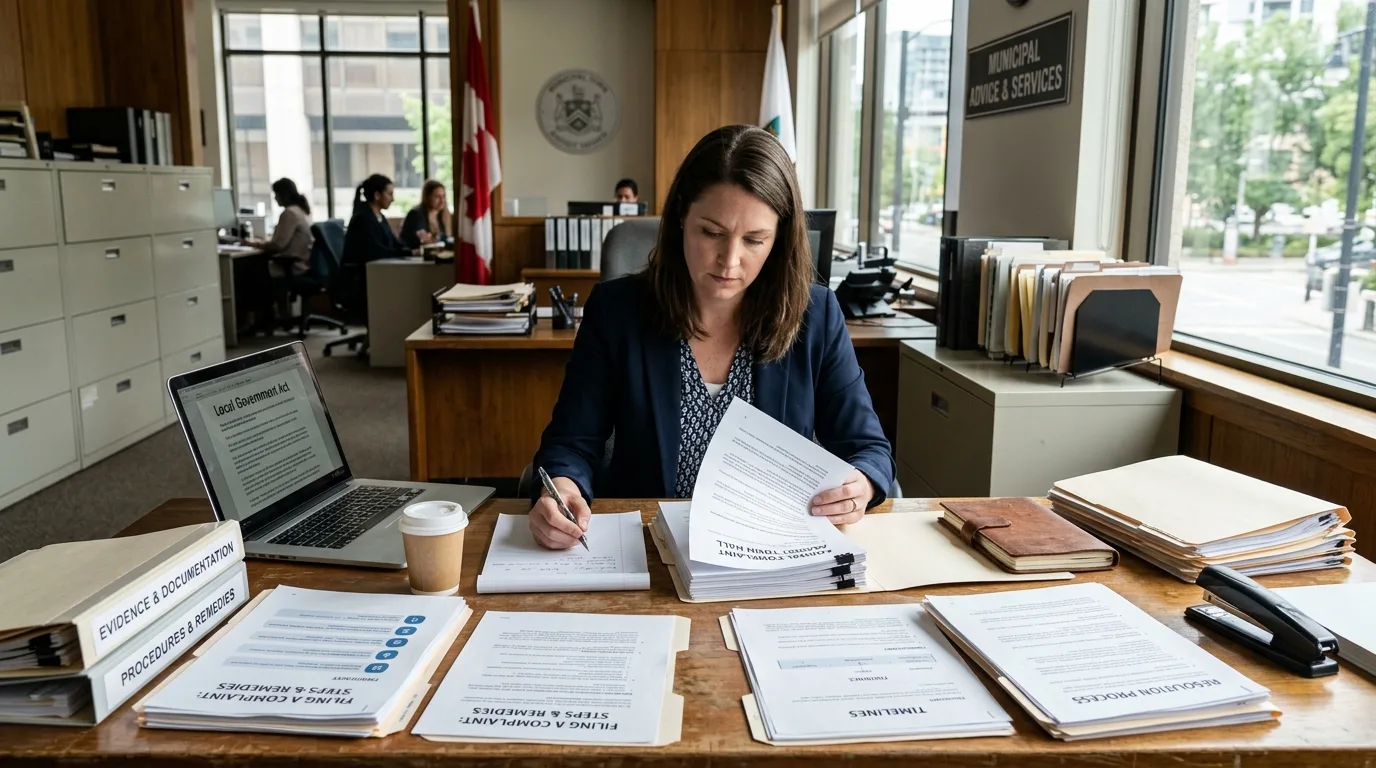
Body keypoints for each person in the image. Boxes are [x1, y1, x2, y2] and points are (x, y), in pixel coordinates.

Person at [528, 125, 895, 550]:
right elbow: (572, 441)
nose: (730, 260)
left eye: (755, 240)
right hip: (648, 548)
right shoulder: (617, 311)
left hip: (771, 550)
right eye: (712, 233)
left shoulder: (816, 316)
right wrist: (562, 485)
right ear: (682, 216)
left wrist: (861, 485)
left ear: (779, 240)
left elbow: (868, 447)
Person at [342, 173, 413, 266]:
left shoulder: (379, 216)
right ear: (377, 195)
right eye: (389, 194)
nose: (393, 199)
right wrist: (407, 253)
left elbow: (394, 243)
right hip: (361, 275)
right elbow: (375, 251)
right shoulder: (362, 218)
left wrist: (413, 251)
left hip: (376, 270)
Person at [400, 179, 452, 249]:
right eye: (437, 197)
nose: (442, 200)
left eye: (443, 196)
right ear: (427, 197)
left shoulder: (443, 215)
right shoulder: (416, 214)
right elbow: (416, 241)